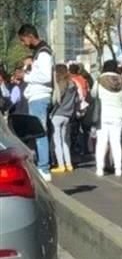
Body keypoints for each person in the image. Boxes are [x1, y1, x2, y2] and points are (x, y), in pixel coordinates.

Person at [18, 24, 55, 181]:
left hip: (39, 97)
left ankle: (44, 167)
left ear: (29, 36)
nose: (23, 44)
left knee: (40, 132)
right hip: (36, 97)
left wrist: (26, 77)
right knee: (38, 132)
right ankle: (43, 165)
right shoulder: (39, 53)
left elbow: (46, 77)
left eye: (23, 40)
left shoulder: (44, 53)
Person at [94, 60, 122, 177]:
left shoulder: (99, 80)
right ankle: (118, 169)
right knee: (116, 142)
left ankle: (100, 169)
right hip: (118, 115)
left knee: (101, 143)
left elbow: (93, 94)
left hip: (103, 114)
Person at [49, 64, 80, 174]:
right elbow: (77, 100)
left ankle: (61, 165)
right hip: (68, 115)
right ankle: (69, 164)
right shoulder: (73, 85)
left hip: (57, 114)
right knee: (66, 141)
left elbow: (55, 100)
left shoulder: (60, 84)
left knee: (57, 142)